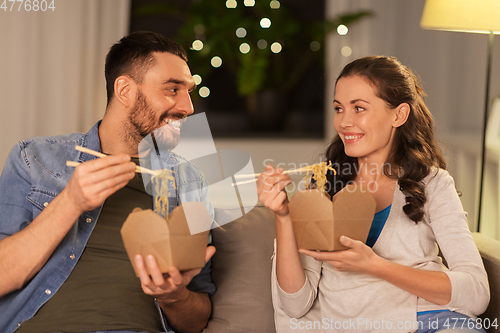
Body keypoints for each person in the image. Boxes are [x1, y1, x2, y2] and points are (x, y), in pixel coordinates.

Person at [0, 31, 216, 333]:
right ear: (125, 90)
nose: (188, 107)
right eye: (172, 90)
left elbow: (198, 321)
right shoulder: (35, 158)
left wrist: (174, 296)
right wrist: (70, 202)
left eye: (189, 91)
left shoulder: (190, 183)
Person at [257, 56, 490, 333]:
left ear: (399, 115)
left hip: (434, 323)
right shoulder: (321, 186)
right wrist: (283, 215)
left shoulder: (433, 183)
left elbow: (477, 292)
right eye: (339, 108)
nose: (344, 122)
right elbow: (295, 305)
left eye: (359, 108)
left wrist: (375, 266)